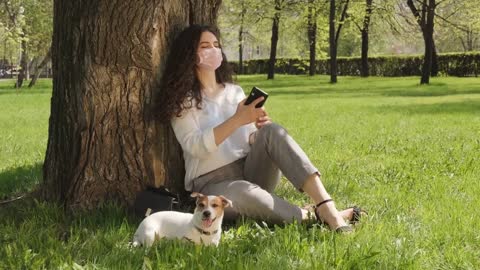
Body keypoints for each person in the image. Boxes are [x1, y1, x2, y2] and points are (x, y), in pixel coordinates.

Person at [154, 24, 364, 232]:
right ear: (190, 54)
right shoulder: (182, 101)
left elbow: (247, 139)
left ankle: (326, 204)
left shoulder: (234, 91)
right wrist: (237, 119)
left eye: (216, 44)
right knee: (246, 193)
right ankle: (313, 216)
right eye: (205, 46)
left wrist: (259, 133)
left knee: (273, 131)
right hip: (212, 183)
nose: (213, 50)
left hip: (251, 169)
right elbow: (195, 147)